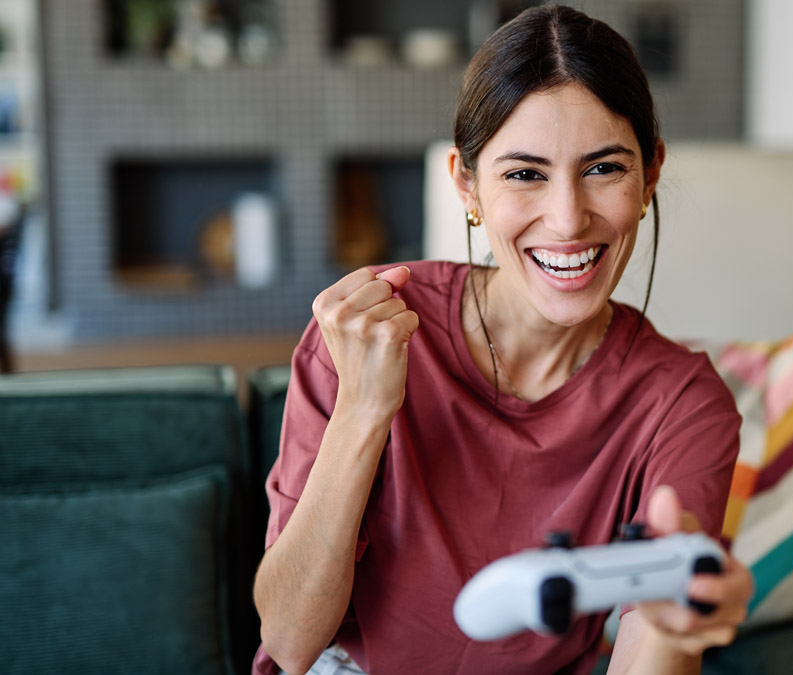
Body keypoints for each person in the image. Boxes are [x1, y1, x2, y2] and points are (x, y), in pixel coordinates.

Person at [252, 6, 752, 674]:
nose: (569, 219)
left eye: (605, 168)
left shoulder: (683, 404)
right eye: (524, 174)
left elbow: (647, 653)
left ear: (650, 174)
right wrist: (364, 411)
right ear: (467, 184)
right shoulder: (365, 329)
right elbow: (288, 638)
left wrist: (674, 623)